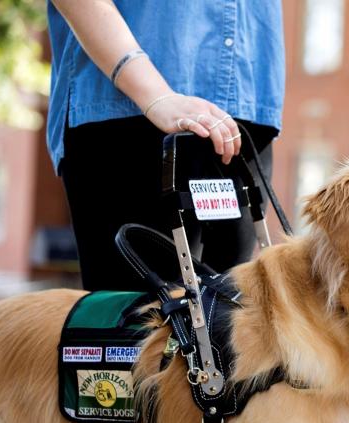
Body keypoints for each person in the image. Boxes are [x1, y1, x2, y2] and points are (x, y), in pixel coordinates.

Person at [46, 0, 285, 291]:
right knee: (138, 324)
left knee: (232, 325)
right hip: (129, 108)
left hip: (246, 111)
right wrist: (156, 96)